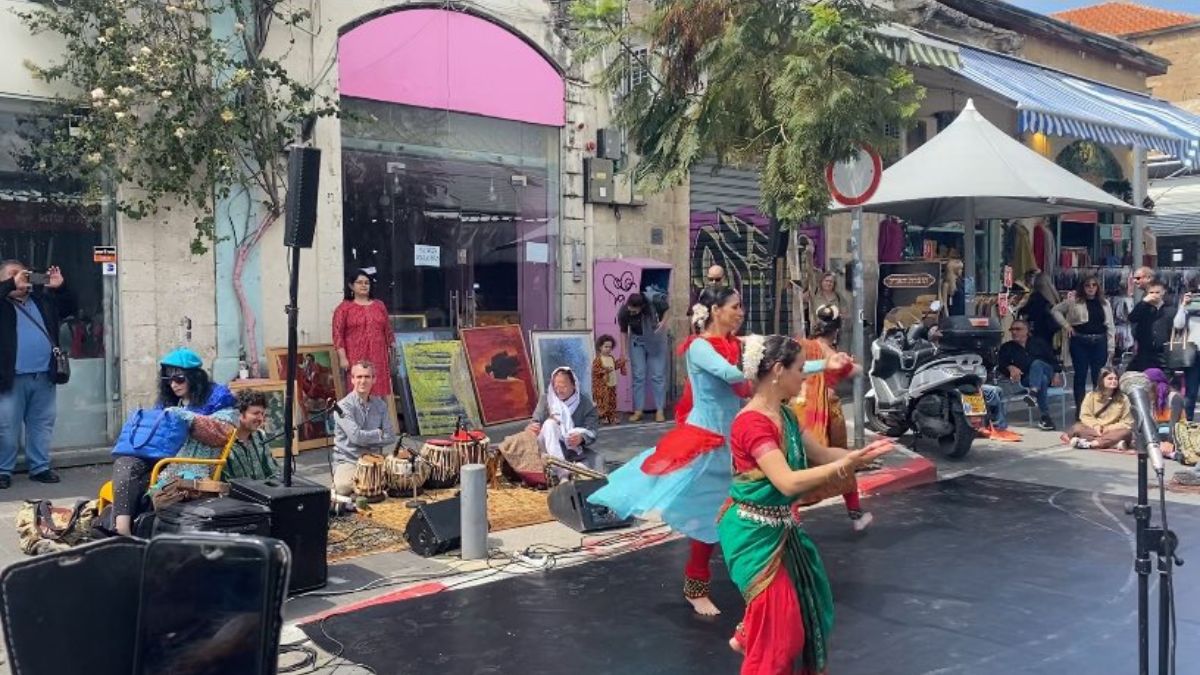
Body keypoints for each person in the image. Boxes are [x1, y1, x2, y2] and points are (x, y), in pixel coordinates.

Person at [721, 334, 894, 673]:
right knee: (780, 636)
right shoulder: (752, 423)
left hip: (783, 528)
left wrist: (860, 455)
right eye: (800, 369)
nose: (805, 377)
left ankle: (747, 633)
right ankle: (750, 636)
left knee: (796, 615)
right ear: (776, 371)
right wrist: (845, 466)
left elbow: (821, 454)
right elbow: (786, 481)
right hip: (753, 535)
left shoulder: (785, 415)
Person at [589, 287, 749, 616]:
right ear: (716, 310)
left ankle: (754, 575)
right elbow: (734, 375)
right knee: (708, 517)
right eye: (736, 306)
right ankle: (696, 586)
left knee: (749, 510)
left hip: (736, 444)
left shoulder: (736, 345)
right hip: (707, 446)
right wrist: (766, 362)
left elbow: (784, 362)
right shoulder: (701, 348)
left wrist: (822, 363)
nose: (741, 312)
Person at [110, 348, 238, 536]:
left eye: (179, 379)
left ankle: (124, 530)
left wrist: (189, 418)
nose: (173, 385)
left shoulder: (218, 401)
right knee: (125, 463)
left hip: (188, 468)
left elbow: (220, 433)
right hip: (162, 461)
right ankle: (122, 529)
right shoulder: (169, 403)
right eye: (168, 380)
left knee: (134, 484)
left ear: (195, 377)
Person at [793, 304, 874, 530]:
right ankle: (856, 516)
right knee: (842, 463)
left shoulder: (801, 346)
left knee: (796, 466)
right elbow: (857, 371)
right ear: (836, 330)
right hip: (827, 414)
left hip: (799, 412)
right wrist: (851, 361)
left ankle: (794, 522)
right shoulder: (834, 355)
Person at [0, 261, 66, 488]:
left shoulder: (40, 300)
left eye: (22, 274)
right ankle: (3, 470)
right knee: (7, 427)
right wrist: (9, 285)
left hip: (43, 376)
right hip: (10, 378)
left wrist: (57, 288)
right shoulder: (3, 303)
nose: (19, 278)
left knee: (42, 424)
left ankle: (39, 467)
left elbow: (68, 309)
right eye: (12, 275)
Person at [332, 361, 398, 497]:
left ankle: (368, 486)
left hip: (375, 459)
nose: (363, 381)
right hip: (350, 460)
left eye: (367, 377)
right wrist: (379, 434)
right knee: (343, 487)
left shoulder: (380, 404)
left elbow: (391, 436)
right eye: (359, 377)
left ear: (374, 379)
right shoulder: (343, 406)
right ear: (352, 379)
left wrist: (366, 438)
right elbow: (356, 437)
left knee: (406, 474)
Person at [1052, 274, 1114, 413]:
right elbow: (1055, 310)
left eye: (1094, 285)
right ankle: (1081, 409)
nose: (1091, 288)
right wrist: (1066, 325)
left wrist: (1111, 346)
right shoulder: (1073, 301)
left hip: (1099, 340)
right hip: (1080, 341)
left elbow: (1110, 326)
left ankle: (1098, 408)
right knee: (1080, 375)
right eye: (1087, 285)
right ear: (1082, 287)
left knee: (1098, 376)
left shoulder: (1105, 302)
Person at [527, 367, 602, 477]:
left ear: (574, 385)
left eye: (563, 387)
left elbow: (592, 430)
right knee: (550, 424)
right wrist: (531, 428)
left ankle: (569, 470)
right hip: (547, 447)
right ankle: (562, 472)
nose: (559, 390)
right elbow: (534, 421)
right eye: (556, 387)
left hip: (571, 449)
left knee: (599, 461)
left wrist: (581, 438)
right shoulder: (547, 400)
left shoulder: (584, 403)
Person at [332, 269, 393, 397]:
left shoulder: (379, 306)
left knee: (377, 392)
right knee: (358, 391)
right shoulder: (344, 308)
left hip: (378, 356)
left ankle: (376, 417)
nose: (364, 285)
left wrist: (392, 350)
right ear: (351, 286)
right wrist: (343, 358)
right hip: (355, 356)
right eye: (359, 282)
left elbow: (388, 330)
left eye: (367, 283)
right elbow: (338, 335)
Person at [997, 320, 1063, 431]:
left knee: (1037, 364)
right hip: (1027, 379)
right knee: (1042, 379)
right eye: (1012, 329)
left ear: (1027, 331)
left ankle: (1032, 395)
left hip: (1048, 372)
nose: (1014, 332)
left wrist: (1057, 373)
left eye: (1018, 329)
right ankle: (1045, 417)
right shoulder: (1007, 347)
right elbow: (1000, 365)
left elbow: (1053, 360)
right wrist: (1010, 367)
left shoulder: (1039, 343)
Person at [617, 291, 669, 422]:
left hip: (655, 339)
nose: (631, 312)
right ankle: (638, 410)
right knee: (638, 375)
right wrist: (623, 352)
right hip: (637, 341)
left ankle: (660, 410)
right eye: (630, 309)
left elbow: (667, 310)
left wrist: (663, 323)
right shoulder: (624, 311)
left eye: (634, 311)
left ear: (642, 307)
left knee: (657, 375)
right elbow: (623, 332)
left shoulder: (654, 302)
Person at [1063, 368, 1132, 450]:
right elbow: (1085, 415)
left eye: (1115, 379)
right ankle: (1112, 443)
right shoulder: (1091, 396)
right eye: (1110, 379)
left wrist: (1108, 428)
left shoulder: (1123, 399)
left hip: (1113, 430)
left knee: (1126, 433)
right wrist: (1096, 425)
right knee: (1077, 428)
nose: (1113, 381)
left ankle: (1091, 444)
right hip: (1094, 429)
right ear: (1102, 380)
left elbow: (1127, 422)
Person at [222, 390, 280, 481]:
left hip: (263, 492)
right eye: (256, 413)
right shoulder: (223, 441)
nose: (261, 418)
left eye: (262, 414)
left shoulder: (260, 436)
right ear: (239, 414)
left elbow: (273, 471)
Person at [1127, 280, 1174, 373]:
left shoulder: (1170, 309)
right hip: (1144, 351)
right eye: (1151, 292)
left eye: (1157, 292)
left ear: (1163, 292)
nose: (1154, 295)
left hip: (1164, 351)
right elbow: (1132, 318)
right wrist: (1144, 301)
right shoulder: (1143, 308)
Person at [1174, 288, 1200, 420]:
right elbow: (1178, 324)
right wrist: (1183, 305)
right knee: (1191, 392)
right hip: (1193, 352)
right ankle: (1188, 424)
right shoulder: (1189, 308)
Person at [1018, 272, 1062, 347]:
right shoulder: (1054, 297)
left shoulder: (1036, 297)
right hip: (1051, 329)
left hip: (1038, 329)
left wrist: (1020, 307)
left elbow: (1026, 311)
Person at [591, 334, 625, 425]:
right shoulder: (598, 359)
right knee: (603, 401)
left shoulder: (611, 358)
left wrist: (621, 363)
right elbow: (595, 371)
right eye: (606, 347)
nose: (608, 349)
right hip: (603, 386)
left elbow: (614, 366)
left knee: (612, 401)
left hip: (612, 384)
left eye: (610, 347)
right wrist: (605, 370)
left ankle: (612, 416)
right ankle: (603, 417)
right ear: (600, 347)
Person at [807, 272, 848, 347]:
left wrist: (837, 316)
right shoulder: (814, 294)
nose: (828, 283)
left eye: (831, 282)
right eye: (826, 281)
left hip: (833, 333)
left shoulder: (838, 296)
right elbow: (800, 299)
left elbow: (845, 312)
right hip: (817, 331)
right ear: (821, 282)